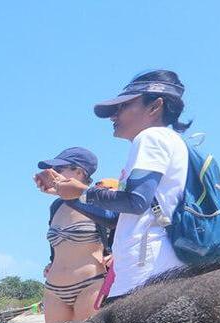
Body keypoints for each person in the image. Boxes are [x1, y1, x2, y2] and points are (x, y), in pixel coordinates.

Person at [36, 70, 190, 303]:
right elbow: (114, 218)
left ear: (155, 106)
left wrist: (81, 191)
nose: (113, 116)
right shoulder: (167, 141)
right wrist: (68, 195)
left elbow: (135, 202)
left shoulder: (151, 138)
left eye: (123, 107)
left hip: (148, 274)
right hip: (155, 271)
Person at [32, 147, 116, 323]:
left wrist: (114, 254)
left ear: (79, 173)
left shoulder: (101, 199)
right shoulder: (56, 205)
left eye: (61, 168)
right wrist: (51, 260)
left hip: (89, 281)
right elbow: (56, 243)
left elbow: (119, 229)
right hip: (55, 285)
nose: (54, 173)